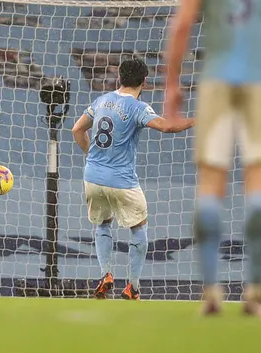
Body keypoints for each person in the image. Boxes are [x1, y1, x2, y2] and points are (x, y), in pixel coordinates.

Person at [164, 0, 261, 315]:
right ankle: (255, 292)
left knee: (210, 181)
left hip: (216, 79)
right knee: (256, 179)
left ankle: (210, 294)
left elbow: (181, 26)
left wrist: (172, 85)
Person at [72, 58, 194, 300]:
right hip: (122, 180)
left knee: (103, 224)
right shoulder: (138, 108)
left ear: (119, 77)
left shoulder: (101, 100)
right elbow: (167, 127)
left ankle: (106, 274)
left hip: (93, 177)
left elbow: (77, 130)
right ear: (145, 82)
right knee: (138, 227)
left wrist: (93, 156)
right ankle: (133, 286)